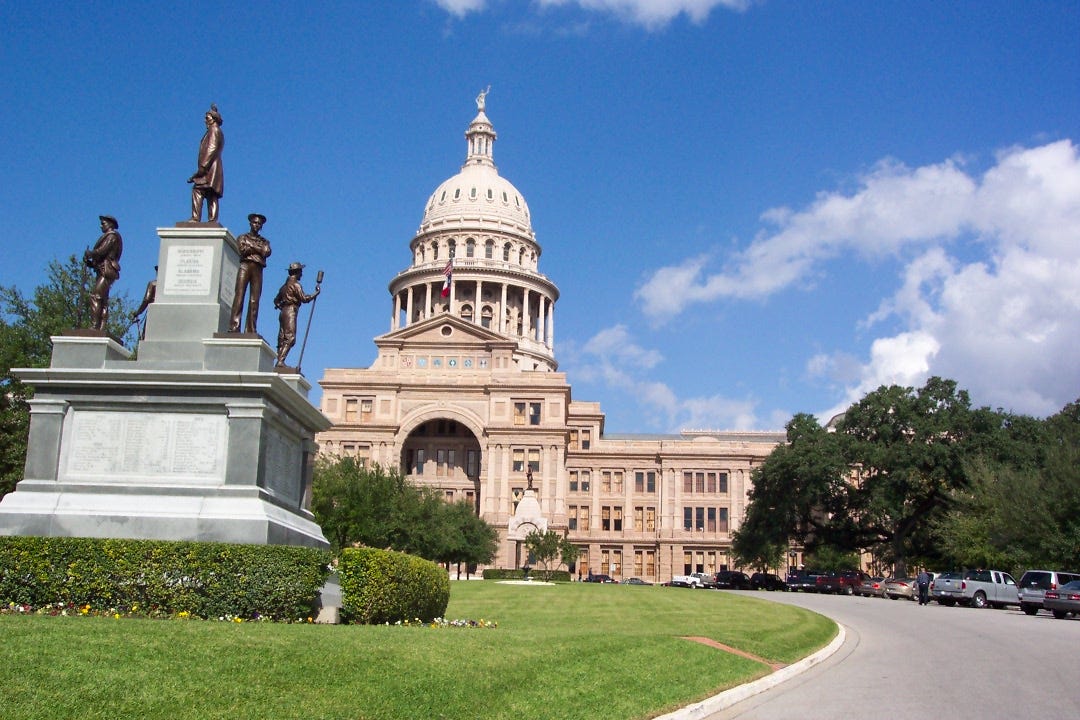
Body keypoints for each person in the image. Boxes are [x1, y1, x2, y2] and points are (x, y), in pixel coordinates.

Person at [229, 213, 272, 333]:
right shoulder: (242, 237)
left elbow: (266, 252)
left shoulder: (265, 241)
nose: (256, 225)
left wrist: (252, 247)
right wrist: (258, 249)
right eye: (255, 222)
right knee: (239, 295)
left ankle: (251, 328)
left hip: (258, 269)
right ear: (250, 223)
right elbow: (242, 250)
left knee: (255, 299)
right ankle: (234, 326)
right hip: (245, 266)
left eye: (259, 224)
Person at [273, 262, 320, 367]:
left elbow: (276, 301)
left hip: (282, 312)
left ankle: (279, 360)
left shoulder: (283, 287)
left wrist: (281, 306)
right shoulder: (296, 285)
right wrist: (315, 293)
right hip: (290, 311)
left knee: (282, 337)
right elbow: (304, 299)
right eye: (301, 272)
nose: (302, 274)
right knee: (290, 338)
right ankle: (280, 361)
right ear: (297, 272)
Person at [83, 215, 123, 331]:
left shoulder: (112, 236)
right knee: (103, 299)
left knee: (95, 296)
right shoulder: (109, 236)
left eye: (103, 223)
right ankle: (101, 327)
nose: (101, 226)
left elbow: (103, 251)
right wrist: (91, 263)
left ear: (110, 224)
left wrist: (90, 253)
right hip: (102, 269)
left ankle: (95, 325)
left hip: (107, 270)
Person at [187, 104, 224, 223]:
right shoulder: (217, 131)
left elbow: (211, 149)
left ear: (213, 119)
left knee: (198, 189)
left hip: (209, 168)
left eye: (207, 118)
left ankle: (195, 217)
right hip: (214, 168)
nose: (205, 120)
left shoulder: (214, 130)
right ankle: (212, 220)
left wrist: (202, 168)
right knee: (212, 194)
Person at [130, 266, 157, 338]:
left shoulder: (153, 284)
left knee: (146, 335)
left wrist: (138, 312)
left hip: (153, 312)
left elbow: (146, 299)